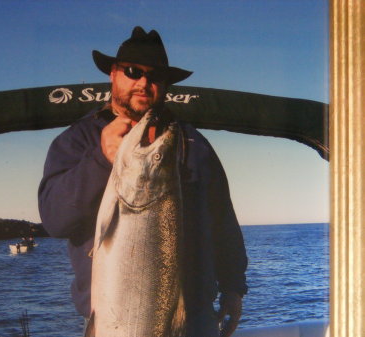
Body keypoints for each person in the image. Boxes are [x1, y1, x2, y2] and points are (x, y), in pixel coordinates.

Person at [38, 26, 247, 337]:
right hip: (116, 318)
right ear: (113, 74)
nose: (144, 83)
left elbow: (223, 222)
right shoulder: (78, 140)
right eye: (133, 71)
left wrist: (233, 288)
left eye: (156, 76)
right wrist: (100, 158)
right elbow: (55, 220)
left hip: (198, 317)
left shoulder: (194, 143)